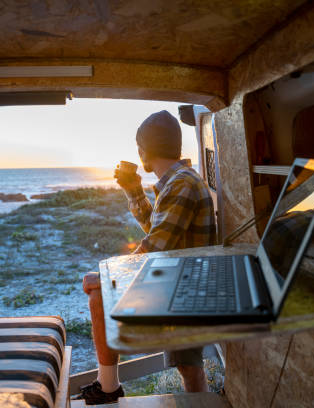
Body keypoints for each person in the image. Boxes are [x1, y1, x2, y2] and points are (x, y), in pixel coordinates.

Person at [75, 110, 217, 405]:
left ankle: (109, 386)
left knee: (98, 294)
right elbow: (160, 230)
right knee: (188, 367)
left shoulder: (180, 184)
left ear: (143, 151)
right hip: (182, 282)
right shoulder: (180, 180)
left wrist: (105, 277)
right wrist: (134, 191)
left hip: (182, 292)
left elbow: (154, 247)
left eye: (139, 148)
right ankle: (200, 400)